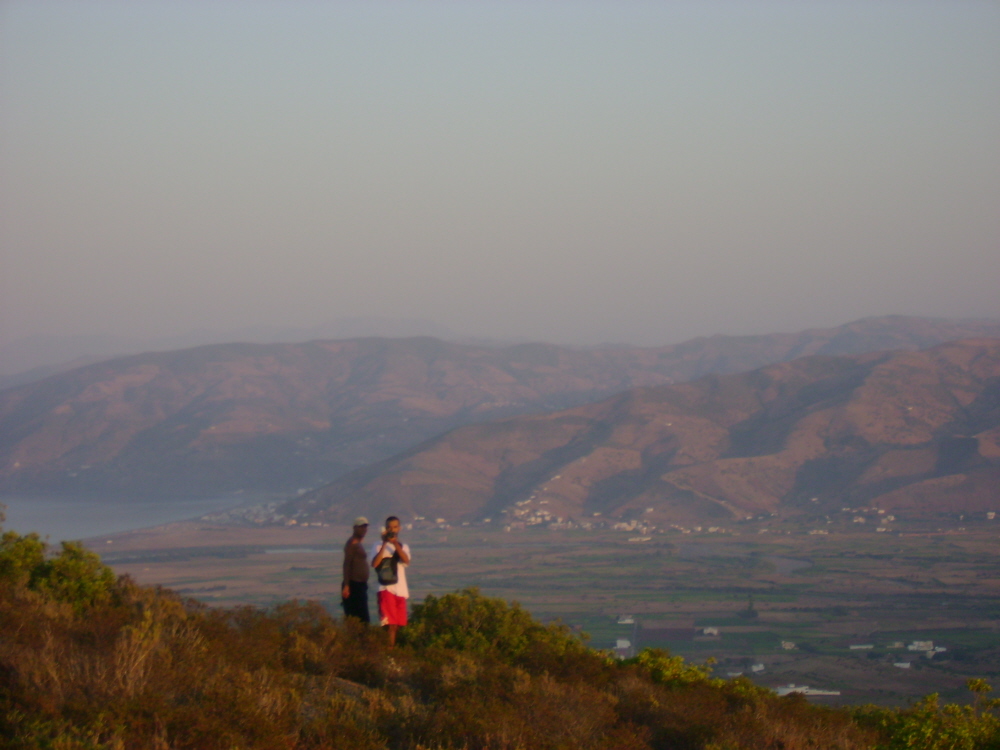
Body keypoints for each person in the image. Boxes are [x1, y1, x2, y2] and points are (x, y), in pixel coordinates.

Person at [370, 515, 411, 648]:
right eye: (389, 528)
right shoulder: (377, 545)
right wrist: (384, 544)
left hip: (400, 589)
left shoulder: (403, 546)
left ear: (399, 528)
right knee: (389, 625)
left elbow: (406, 560)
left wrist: (395, 544)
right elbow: (375, 564)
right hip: (386, 588)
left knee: (398, 625)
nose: (392, 530)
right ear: (385, 529)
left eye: (394, 527)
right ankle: (389, 654)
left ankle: (390, 650)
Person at [341, 516, 371, 623]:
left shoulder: (358, 543)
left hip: (360, 585)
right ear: (355, 528)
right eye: (361, 527)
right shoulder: (352, 543)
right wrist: (347, 586)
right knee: (358, 618)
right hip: (354, 586)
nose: (364, 529)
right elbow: (347, 564)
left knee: (362, 618)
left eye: (365, 527)